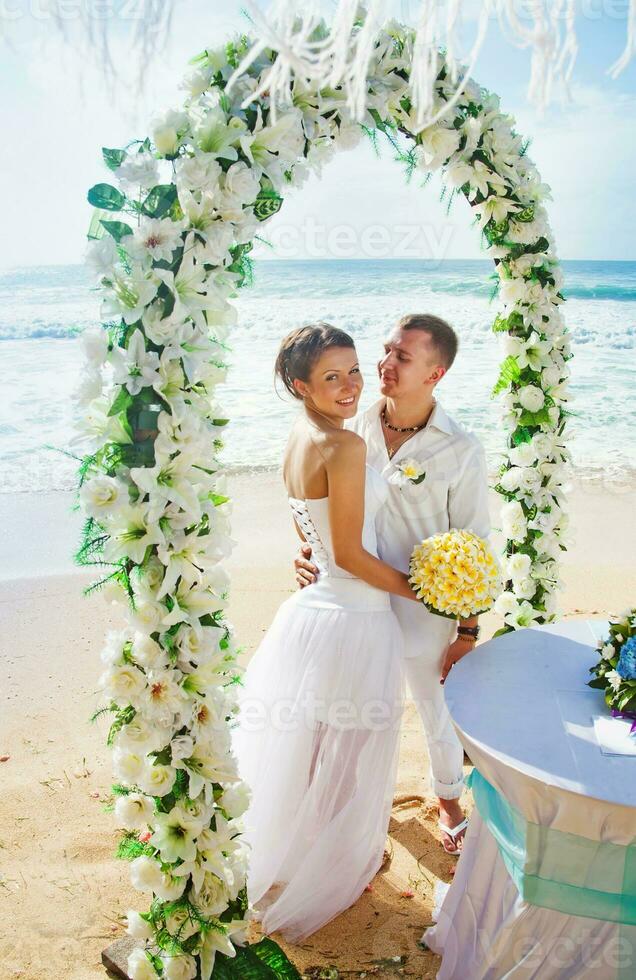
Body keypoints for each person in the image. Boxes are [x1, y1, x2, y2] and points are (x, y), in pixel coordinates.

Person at [233, 322, 420, 941]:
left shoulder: (303, 435)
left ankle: (300, 852)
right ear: (300, 384)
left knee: (308, 743)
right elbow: (350, 556)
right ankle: (338, 867)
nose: (350, 386)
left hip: (313, 612)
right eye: (332, 377)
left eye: (355, 370)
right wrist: (424, 590)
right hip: (353, 616)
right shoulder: (344, 447)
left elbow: (309, 526)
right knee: (351, 750)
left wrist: (306, 553)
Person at [295, 313, 491, 856]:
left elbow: (475, 543)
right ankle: (352, 808)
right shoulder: (349, 428)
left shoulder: (461, 449)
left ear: (436, 373)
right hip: (357, 602)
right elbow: (319, 499)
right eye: (385, 351)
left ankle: (449, 800)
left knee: (433, 704)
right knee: (355, 709)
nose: (384, 364)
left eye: (403, 356)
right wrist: (310, 549)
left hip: (424, 606)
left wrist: (467, 630)